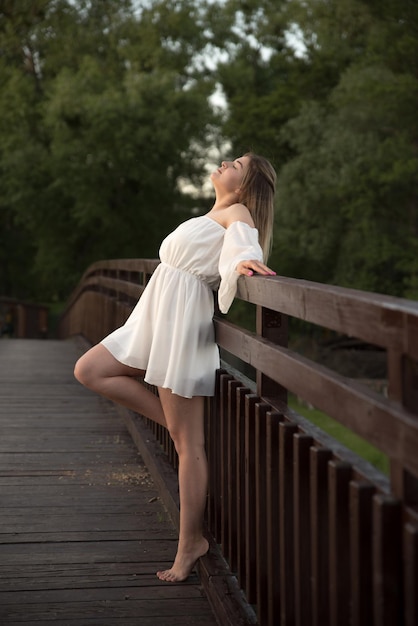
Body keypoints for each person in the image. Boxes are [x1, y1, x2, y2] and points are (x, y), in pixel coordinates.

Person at [74, 152, 277, 582]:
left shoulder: (237, 211)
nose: (224, 163)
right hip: (154, 319)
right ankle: (173, 422)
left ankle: (190, 544)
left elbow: (244, 243)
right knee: (90, 369)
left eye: (235, 165)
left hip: (181, 326)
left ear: (244, 187)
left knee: (190, 449)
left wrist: (242, 263)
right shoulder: (210, 213)